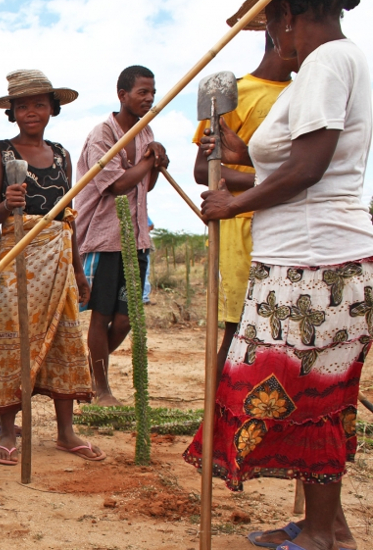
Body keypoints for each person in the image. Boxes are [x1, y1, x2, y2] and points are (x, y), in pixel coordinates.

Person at [184, 1, 370, 549]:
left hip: (315, 264)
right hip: (311, 258)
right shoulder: (336, 61)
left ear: (286, 14)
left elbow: (309, 170)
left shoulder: (324, 64)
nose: (270, 39)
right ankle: (329, 526)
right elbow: (299, 164)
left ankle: (317, 536)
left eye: (268, 24)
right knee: (318, 397)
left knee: (302, 397)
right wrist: (246, 162)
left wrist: (229, 206)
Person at [0, 70, 103, 464]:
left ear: (52, 108)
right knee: (12, 337)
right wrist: (8, 204)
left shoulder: (62, 154)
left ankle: (66, 433)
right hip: (17, 255)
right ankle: (6, 432)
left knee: (64, 339)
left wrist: (80, 271)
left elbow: (69, 216)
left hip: (59, 257)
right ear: (12, 112)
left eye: (38, 104)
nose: (30, 112)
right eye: (21, 106)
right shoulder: (0, 151)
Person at [192, 30, 297, 386]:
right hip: (240, 223)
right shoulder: (234, 93)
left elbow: (303, 169)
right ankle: (218, 416)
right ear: (280, 34)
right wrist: (262, 182)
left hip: (289, 222)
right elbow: (202, 171)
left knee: (282, 326)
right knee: (237, 327)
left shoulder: (302, 94)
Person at [74, 65, 169, 406]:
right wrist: (148, 159)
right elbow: (116, 184)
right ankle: (101, 389)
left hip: (137, 237)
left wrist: (155, 160)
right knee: (101, 314)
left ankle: (89, 368)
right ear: (122, 95)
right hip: (104, 235)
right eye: (143, 92)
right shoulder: (103, 134)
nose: (149, 98)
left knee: (128, 317)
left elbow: (145, 185)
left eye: (152, 92)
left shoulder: (145, 133)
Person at [143, 216, 154, 305]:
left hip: (143, 246)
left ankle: (144, 298)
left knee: (145, 272)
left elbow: (151, 225)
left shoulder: (143, 214)